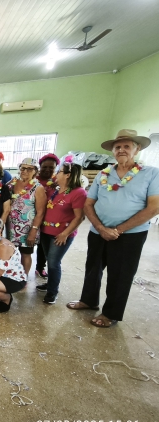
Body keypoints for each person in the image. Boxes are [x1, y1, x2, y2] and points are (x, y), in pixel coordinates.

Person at [68, 129, 159, 327]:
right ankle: (89, 300)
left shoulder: (151, 174)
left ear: (137, 149)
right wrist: (100, 227)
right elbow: (88, 203)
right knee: (93, 269)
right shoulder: (104, 174)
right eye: (118, 147)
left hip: (131, 234)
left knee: (121, 274)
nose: (121, 150)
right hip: (98, 231)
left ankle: (111, 313)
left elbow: (154, 207)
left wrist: (118, 229)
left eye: (127, 146)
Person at [36, 162, 87, 304]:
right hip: (46, 231)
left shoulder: (78, 193)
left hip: (61, 234)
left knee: (53, 262)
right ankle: (50, 284)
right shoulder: (55, 190)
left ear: (67, 175)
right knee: (48, 258)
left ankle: (52, 292)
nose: (56, 174)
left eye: (59, 171)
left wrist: (65, 233)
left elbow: (80, 217)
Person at [6, 158, 47, 274]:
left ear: (35, 171)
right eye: (23, 168)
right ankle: (13, 275)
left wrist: (33, 231)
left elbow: (40, 212)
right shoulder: (13, 183)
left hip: (27, 228)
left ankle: (24, 278)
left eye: (29, 169)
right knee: (10, 253)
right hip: (10, 228)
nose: (25, 171)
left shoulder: (38, 188)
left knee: (26, 254)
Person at [35, 153, 60, 278]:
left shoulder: (58, 181)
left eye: (51, 168)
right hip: (33, 217)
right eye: (45, 167)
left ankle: (40, 267)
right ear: (40, 167)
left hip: (49, 220)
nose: (48, 170)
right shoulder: (34, 180)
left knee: (44, 247)